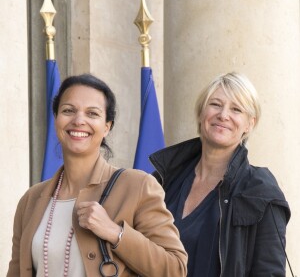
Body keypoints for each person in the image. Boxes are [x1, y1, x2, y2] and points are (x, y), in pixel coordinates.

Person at [7, 74, 188, 277]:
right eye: (68, 110)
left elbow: (175, 268)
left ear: (107, 127)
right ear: (56, 119)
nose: (79, 120)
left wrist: (115, 233)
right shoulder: (31, 200)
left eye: (92, 113)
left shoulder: (137, 186)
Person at [150, 72, 291, 277]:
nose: (223, 115)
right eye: (215, 104)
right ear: (201, 113)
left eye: (236, 109)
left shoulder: (260, 191)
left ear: (249, 124)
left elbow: (269, 272)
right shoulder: (163, 179)